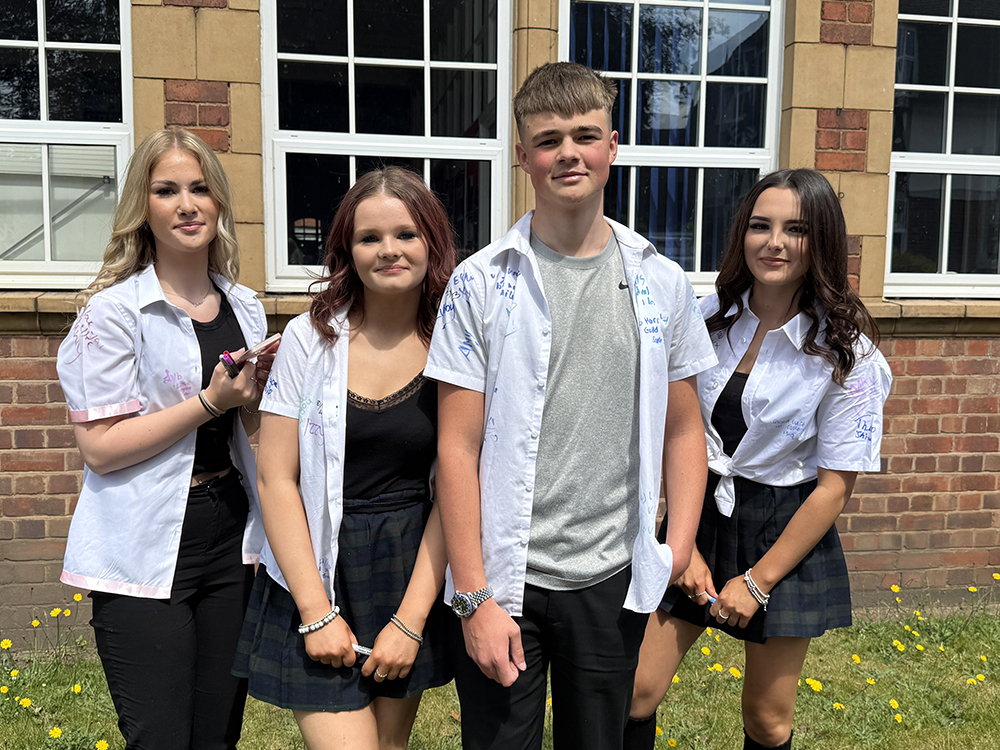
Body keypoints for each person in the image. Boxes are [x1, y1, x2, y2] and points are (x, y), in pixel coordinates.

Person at [425, 62, 717, 750]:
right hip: (505, 580)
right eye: (548, 139)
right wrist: (473, 595)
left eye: (585, 136)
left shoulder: (661, 281)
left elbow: (683, 430)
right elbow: (456, 448)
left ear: (612, 146)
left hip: (612, 577)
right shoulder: (479, 283)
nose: (568, 153)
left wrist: (676, 549)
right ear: (522, 155)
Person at [625, 169, 893, 750]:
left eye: (795, 229)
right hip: (697, 514)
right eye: (760, 226)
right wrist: (683, 544)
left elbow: (833, 489)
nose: (774, 242)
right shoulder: (705, 316)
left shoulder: (850, 355)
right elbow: (671, 432)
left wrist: (757, 581)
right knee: (636, 689)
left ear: (821, 240)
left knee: (766, 718)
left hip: (783, 530)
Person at [56, 127, 276, 750]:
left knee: (218, 735)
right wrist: (209, 402)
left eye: (200, 188)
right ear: (142, 207)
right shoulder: (113, 313)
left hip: (230, 532)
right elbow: (100, 448)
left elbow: (248, 426)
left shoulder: (245, 306)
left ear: (219, 202)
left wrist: (252, 403)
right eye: (166, 191)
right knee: (158, 737)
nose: (186, 205)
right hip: (144, 537)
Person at [232, 167, 455, 750]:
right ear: (347, 251)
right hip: (315, 567)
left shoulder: (455, 344)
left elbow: (458, 488)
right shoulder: (309, 339)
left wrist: (411, 621)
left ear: (432, 241)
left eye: (406, 234)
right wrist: (315, 611)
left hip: (408, 566)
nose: (389, 250)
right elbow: (275, 478)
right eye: (369, 237)